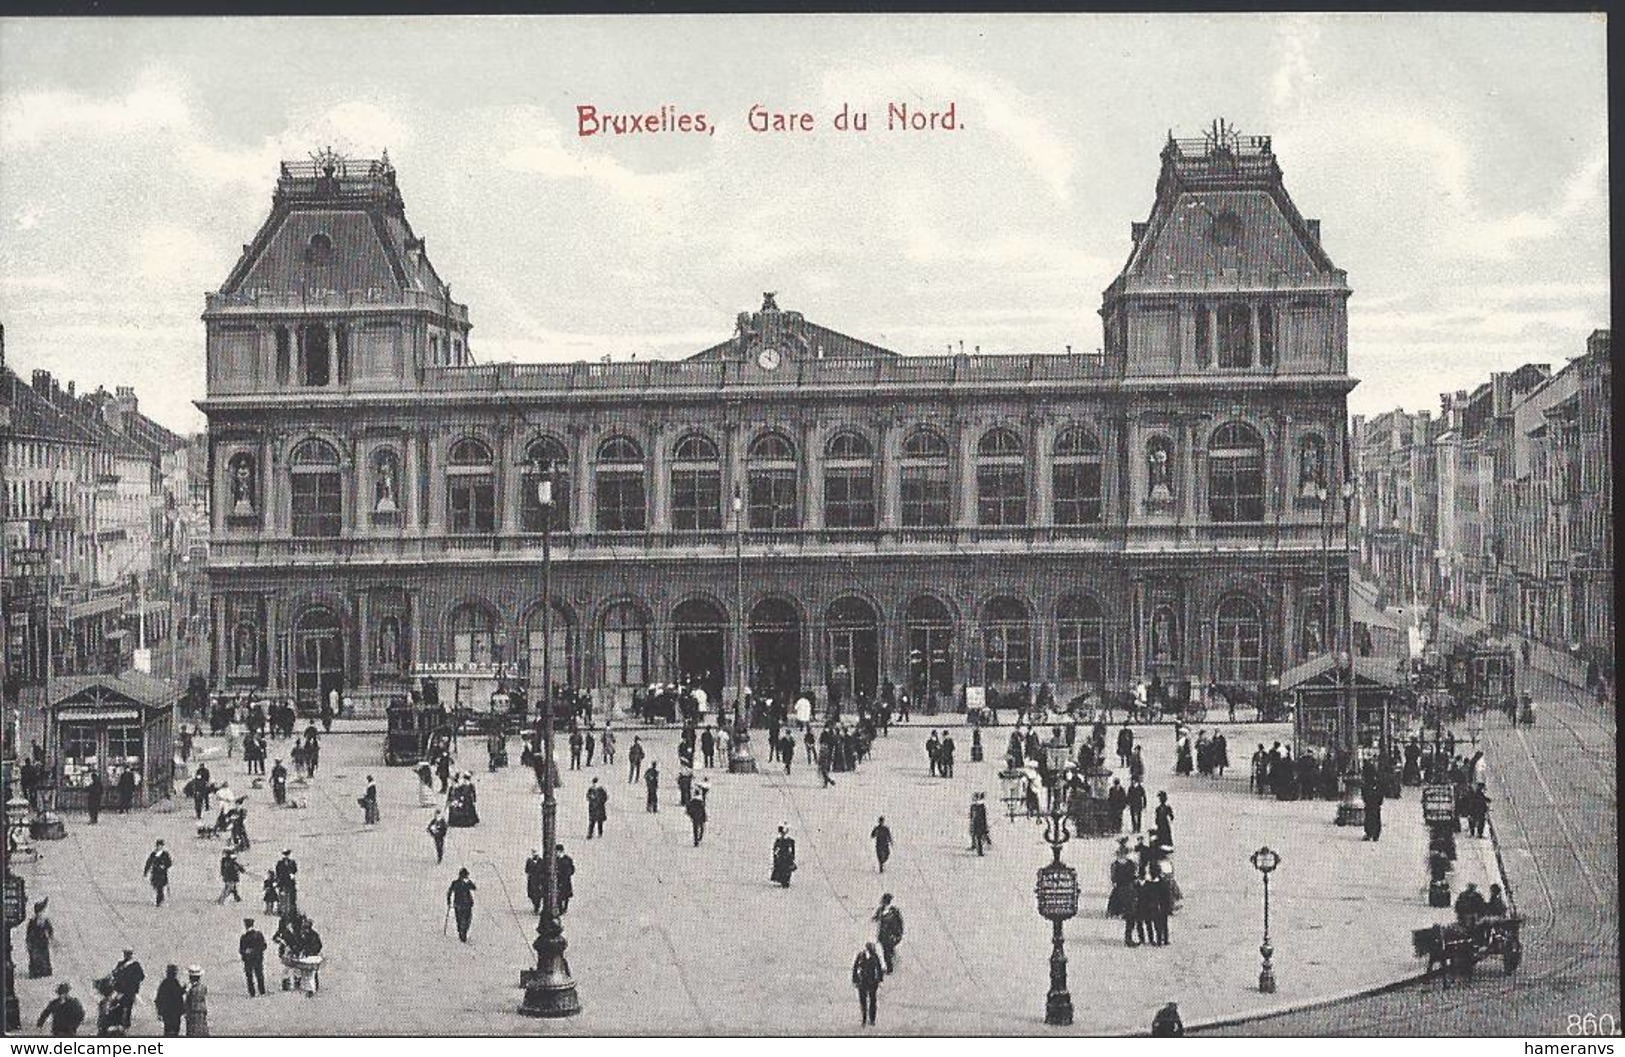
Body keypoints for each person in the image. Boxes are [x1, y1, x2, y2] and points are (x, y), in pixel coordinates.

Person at [851, 942, 884, 1027]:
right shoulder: (863, 956)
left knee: (870, 1001)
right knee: (866, 1001)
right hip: (864, 981)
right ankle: (865, 1019)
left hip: (870, 982)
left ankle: (870, 1019)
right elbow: (855, 968)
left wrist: (879, 979)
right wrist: (855, 979)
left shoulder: (871, 956)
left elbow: (879, 968)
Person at [109, 950, 144, 1029]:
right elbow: (115, 974)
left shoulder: (134, 965)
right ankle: (123, 1023)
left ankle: (124, 1023)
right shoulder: (122, 964)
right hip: (125, 991)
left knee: (126, 1006)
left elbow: (141, 976)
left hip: (126, 991)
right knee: (124, 1006)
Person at [873, 893, 905, 974]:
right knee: (885, 950)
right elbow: (876, 917)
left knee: (887, 951)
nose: (882, 902)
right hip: (883, 935)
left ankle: (890, 968)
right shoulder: (881, 909)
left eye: (884, 901)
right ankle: (890, 961)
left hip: (890, 935)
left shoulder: (894, 911)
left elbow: (899, 923)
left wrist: (898, 934)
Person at [447, 867, 478, 942]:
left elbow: (474, 888)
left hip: (465, 904)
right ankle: (462, 933)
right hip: (461, 904)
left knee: (465, 920)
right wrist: (449, 901)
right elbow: (450, 892)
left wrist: (449, 901)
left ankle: (462, 932)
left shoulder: (464, 883)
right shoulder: (456, 883)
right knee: (461, 919)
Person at [153, 966, 185, 1036]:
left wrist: (159, 1012)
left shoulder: (164, 983)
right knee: (175, 1029)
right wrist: (184, 989)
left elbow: (159, 999)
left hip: (166, 1012)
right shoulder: (175, 982)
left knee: (168, 1029)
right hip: (175, 1012)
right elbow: (178, 994)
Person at [25, 900, 53, 978]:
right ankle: (36, 972)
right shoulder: (33, 921)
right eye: (41, 911)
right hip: (35, 941)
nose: (41, 914)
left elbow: (50, 929)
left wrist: (50, 936)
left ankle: (44, 971)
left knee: (44, 955)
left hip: (43, 941)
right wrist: (28, 941)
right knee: (35, 956)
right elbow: (29, 932)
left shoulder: (45, 921)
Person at [239, 919, 267, 997]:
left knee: (249, 976)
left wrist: (246, 953)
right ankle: (262, 991)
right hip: (258, 958)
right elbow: (264, 946)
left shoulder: (244, 937)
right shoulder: (259, 935)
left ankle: (252, 992)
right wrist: (257, 951)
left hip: (248, 960)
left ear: (245, 926)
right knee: (259, 974)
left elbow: (241, 950)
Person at [143, 840, 172, 906]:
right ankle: (160, 900)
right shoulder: (153, 854)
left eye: (161, 846)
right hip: (155, 873)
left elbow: (169, 863)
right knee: (156, 887)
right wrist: (146, 872)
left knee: (160, 887)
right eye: (158, 846)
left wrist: (164, 866)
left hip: (162, 874)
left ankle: (159, 901)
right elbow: (149, 863)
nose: (159, 847)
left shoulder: (165, 854)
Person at [182, 967, 208, 1037]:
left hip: (192, 1011)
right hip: (202, 1011)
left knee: (192, 1030)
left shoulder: (191, 988)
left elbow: (190, 1001)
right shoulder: (203, 987)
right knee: (202, 1029)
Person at [525, 849, 546, 914]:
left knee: (538, 894)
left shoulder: (542, 861)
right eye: (533, 853)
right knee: (531, 894)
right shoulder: (529, 861)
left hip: (539, 880)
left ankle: (537, 907)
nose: (534, 854)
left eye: (535, 853)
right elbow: (526, 870)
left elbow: (543, 870)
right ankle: (535, 905)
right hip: (531, 880)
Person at [555, 844, 575, 913]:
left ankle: (565, 907)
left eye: (557, 852)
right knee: (558, 895)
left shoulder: (567, 859)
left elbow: (572, 869)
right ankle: (560, 908)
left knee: (566, 895)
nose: (556, 853)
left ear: (561, 851)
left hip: (566, 880)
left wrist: (568, 874)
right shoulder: (555, 860)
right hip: (558, 880)